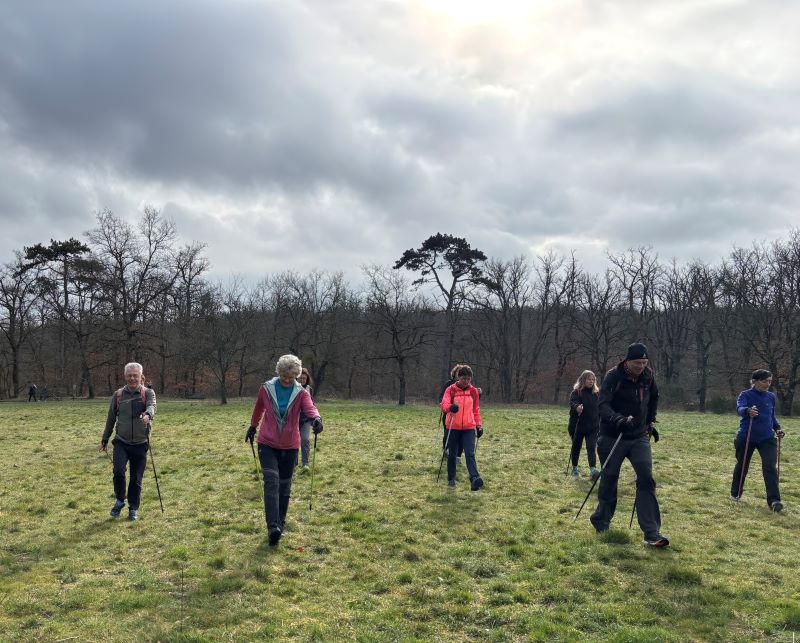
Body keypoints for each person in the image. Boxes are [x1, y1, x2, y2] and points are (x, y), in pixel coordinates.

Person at [590, 343, 669, 547]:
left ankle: (652, 533)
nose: (641, 367)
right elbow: (603, 405)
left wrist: (650, 421)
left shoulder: (648, 376)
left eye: (644, 363)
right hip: (611, 435)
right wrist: (618, 419)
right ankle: (602, 521)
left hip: (638, 436)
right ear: (627, 361)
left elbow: (654, 397)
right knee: (609, 478)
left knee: (646, 478)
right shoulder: (613, 376)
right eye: (637, 363)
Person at [247, 355, 323, 546]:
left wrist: (317, 419)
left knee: (284, 486)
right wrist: (253, 426)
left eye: (291, 377)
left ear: (297, 376)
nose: (287, 380)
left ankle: (281, 523)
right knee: (271, 482)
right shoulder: (266, 388)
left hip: (290, 446)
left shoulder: (301, 393)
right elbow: (258, 409)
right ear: (278, 373)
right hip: (267, 443)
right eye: (283, 376)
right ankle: (272, 526)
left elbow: (310, 408)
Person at [99, 362, 156, 521]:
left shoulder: (148, 393)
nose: (132, 378)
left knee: (136, 479)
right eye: (129, 375)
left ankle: (133, 508)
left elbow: (152, 406)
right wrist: (105, 438)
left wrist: (147, 415)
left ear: (140, 376)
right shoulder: (118, 395)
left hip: (140, 443)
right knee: (118, 472)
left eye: (135, 375)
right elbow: (111, 418)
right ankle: (119, 500)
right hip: (121, 442)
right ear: (125, 376)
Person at [730, 369, 785, 511]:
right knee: (742, 465)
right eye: (764, 381)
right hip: (746, 436)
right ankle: (735, 493)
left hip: (767, 438)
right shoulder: (746, 395)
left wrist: (777, 428)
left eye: (770, 381)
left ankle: (774, 501)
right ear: (755, 381)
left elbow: (771, 416)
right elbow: (739, 408)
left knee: (770, 467)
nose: (768, 384)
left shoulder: (771, 397)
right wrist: (748, 411)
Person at [440, 364, 484, 491]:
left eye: (468, 379)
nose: (466, 381)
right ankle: (451, 478)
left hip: (469, 427)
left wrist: (479, 426)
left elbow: (476, 410)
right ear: (458, 377)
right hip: (453, 426)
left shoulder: (473, 391)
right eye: (464, 378)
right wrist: (450, 408)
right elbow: (444, 404)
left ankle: (475, 479)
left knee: (470, 453)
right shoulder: (451, 390)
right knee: (452, 454)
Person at [568, 370, 600, 480]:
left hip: (593, 426)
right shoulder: (576, 392)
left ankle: (593, 470)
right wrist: (577, 407)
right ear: (583, 380)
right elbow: (573, 403)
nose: (591, 381)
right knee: (576, 447)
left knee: (591, 447)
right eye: (589, 379)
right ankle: (575, 469)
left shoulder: (597, 393)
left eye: (593, 380)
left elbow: (601, 407)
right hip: (577, 426)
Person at [297, 367, 315, 472]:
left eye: (304, 378)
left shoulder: (309, 390)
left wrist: (314, 419)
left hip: (306, 420)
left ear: (307, 379)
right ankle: (293, 463)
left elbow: (312, 405)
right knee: (293, 441)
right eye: (300, 378)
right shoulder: (292, 388)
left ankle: (305, 463)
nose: (302, 380)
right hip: (293, 420)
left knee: (305, 439)